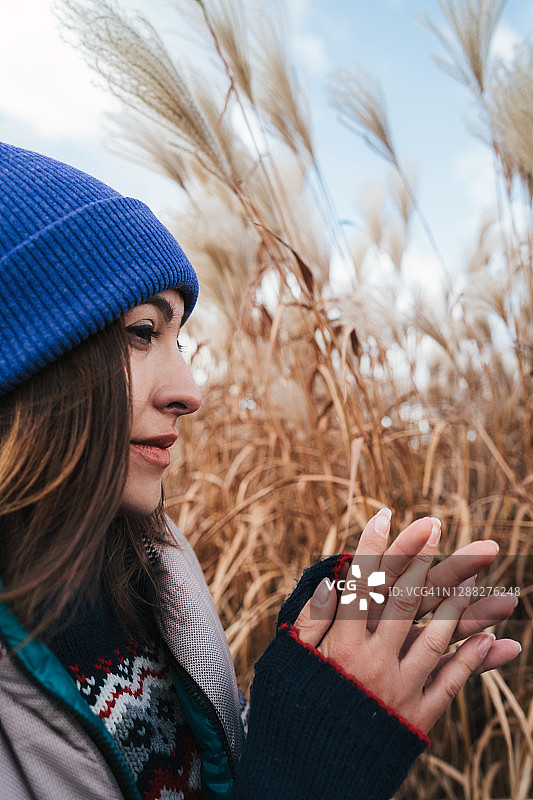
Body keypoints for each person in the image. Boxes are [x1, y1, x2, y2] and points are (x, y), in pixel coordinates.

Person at [0, 141, 521, 800]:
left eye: (179, 339)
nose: (190, 389)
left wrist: (317, 664)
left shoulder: (151, 569)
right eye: (140, 331)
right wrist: (306, 777)